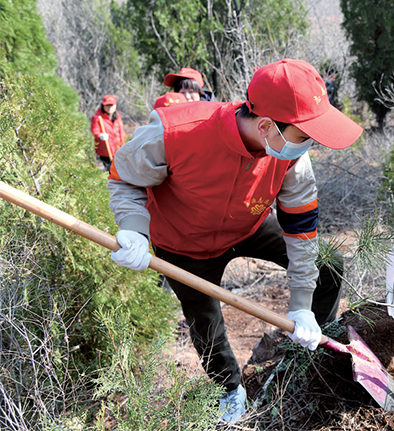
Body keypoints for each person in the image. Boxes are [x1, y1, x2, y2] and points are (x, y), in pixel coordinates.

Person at [106, 59, 363, 423]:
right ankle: (228, 389)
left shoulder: (291, 160)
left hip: (248, 226)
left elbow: (302, 231)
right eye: (304, 135)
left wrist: (302, 305)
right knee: (205, 323)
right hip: (183, 243)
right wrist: (133, 228)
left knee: (328, 264)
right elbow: (124, 176)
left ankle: (309, 349)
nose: (310, 145)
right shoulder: (175, 132)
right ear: (265, 126)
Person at [90, 94, 127, 172]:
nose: (109, 107)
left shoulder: (117, 116)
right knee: (111, 171)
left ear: (115, 105)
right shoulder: (97, 117)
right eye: (107, 105)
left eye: (111, 105)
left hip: (118, 149)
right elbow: (95, 130)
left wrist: (124, 142)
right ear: (103, 106)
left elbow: (121, 131)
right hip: (106, 151)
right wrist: (100, 135)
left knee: (120, 170)